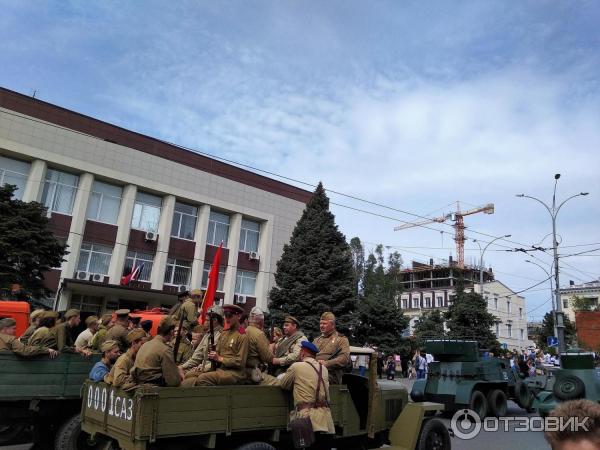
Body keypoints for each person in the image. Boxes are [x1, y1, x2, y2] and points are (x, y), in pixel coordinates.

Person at [181, 304, 249, 387]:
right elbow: (216, 353)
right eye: (225, 315)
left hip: (235, 373)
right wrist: (208, 359)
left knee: (203, 379)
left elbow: (240, 362)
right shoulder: (225, 333)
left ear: (238, 316)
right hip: (220, 369)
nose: (227, 318)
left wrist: (220, 358)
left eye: (229, 315)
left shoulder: (242, 335)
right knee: (189, 375)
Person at [279, 340, 335, 435]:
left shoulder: (296, 367)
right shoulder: (324, 369)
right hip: (325, 418)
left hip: (307, 418)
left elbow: (284, 385)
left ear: (302, 353)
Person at [130, 316, 183, 387]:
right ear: (171, 331)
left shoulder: (145, 345)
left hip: (140, 384)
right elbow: (173, 382)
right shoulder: (165, 349)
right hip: (156, 387)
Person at [181, 305, 224, 374]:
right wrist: (182, 367)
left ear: (215, 320)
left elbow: (220, 360)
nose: (205, 322)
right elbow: (197, 357)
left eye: (207, 320)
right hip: (202, 369)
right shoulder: (207, 334)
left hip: (212, 371)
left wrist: (202, 368)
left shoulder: (222, 335)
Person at [314, 312, 350, 385]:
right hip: (314, 370)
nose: (321, 326)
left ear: (333, 325)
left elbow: (344, 358)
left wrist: (327, 363)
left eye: (324, 324)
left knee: (311, 378)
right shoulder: (316, 340)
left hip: (331, 375)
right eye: (321, 323)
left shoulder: (341, 339)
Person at [243, 307, 274, 383]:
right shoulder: (259, 334)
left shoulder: (243, 331)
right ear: (261, 321)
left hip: (243, 370)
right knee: (278, 383)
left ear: (249, 319)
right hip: (254, 373)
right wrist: (271, 348)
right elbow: (268, 358)